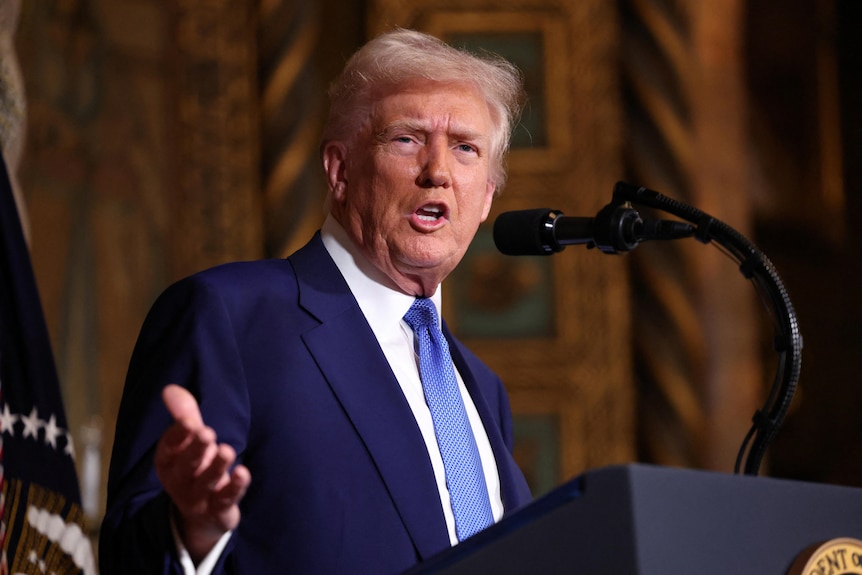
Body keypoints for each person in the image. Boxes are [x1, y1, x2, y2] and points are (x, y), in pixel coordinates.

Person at [99, 28, 532, 574]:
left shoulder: (481, 388)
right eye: (407, 139)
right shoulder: (229, 316)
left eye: (465, 148)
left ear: (488, 196)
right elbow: (125, 558)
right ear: (339, 169)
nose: (438, 172)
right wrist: (192, 529)